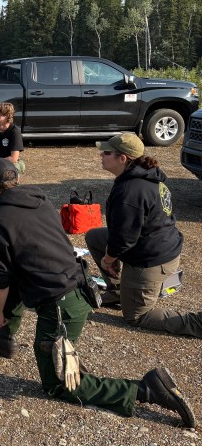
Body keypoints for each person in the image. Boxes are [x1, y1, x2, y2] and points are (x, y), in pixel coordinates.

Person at [0, 158, 195, 428]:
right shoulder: (39, 199)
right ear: (15, 180)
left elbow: (0, 279)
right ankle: (5, 336)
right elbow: (20, 250)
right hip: (78, 284)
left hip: (61, 305)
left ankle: (146, 390)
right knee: (17, 274)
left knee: (58, 385)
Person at [85, 133, 202, 338]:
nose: (101, 155)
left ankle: (196, 323)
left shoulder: (131, 190)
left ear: (123, 159)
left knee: (136, 316)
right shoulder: (143, 175)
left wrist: (107, 260)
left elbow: (124, 239)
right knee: (95, 237)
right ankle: (119, 291)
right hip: (153, 245)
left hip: (152, 259)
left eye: (107, 152)